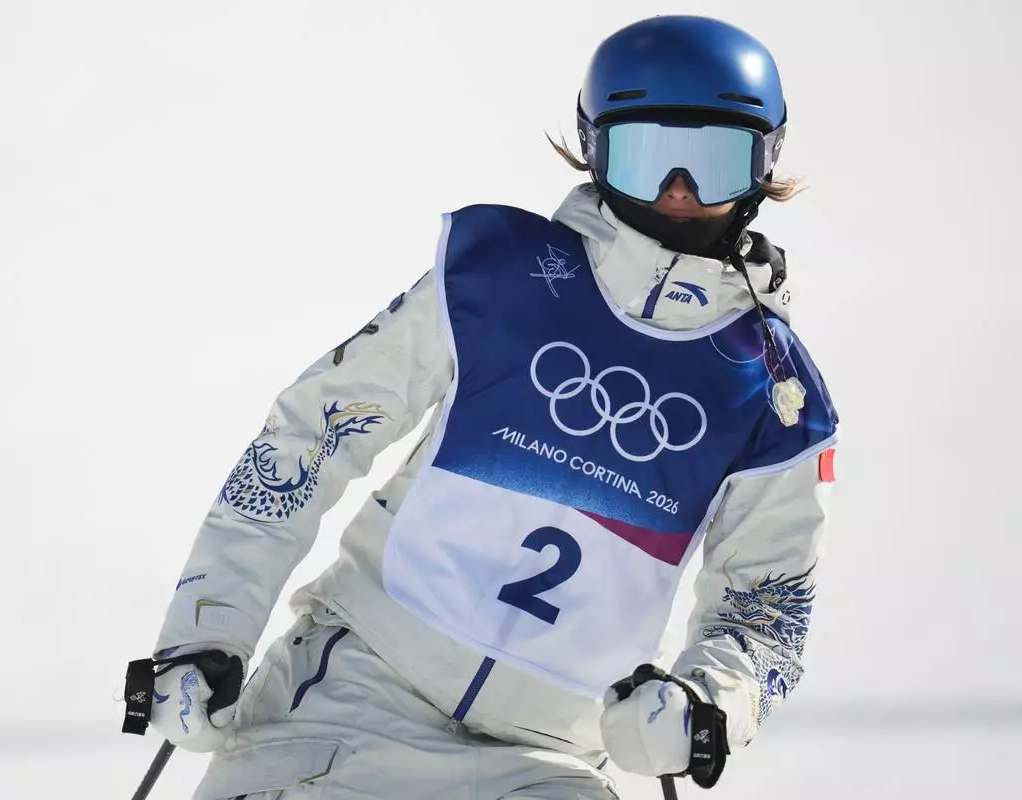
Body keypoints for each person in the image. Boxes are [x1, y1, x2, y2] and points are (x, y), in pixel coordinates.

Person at [129, 14, 839, 800]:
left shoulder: (774, 395)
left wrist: (707, 707)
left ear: (765, 160)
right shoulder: (498, 279)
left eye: (712, 159)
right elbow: (312, 440)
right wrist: (205, 632)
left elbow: (767, 607)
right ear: (595, 149)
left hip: (547, 765)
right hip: (345, 701)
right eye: (646, 157)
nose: (679, 191)